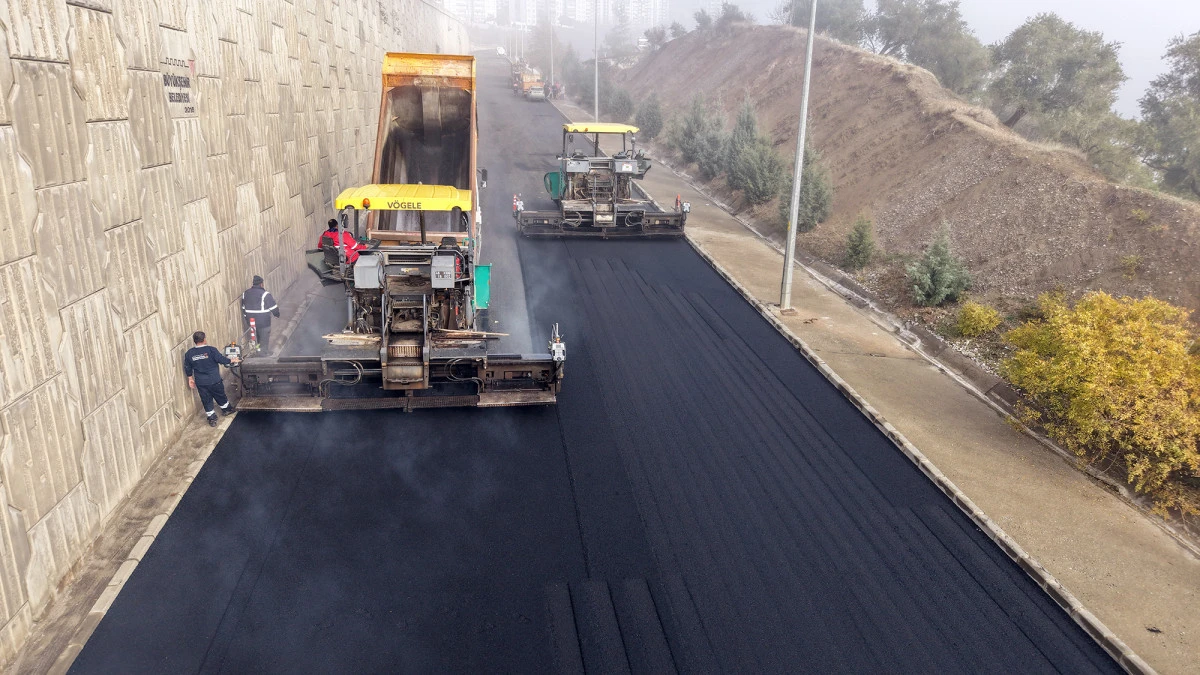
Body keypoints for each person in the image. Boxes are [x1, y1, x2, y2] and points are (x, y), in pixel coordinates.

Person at [183, 331, 239, 427]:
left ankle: (212, 418)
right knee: (220, 395)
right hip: (214, 380)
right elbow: (221, 360)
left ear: (194, 341)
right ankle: (227, 410)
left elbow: (187, 367)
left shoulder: (189, 353)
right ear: (204, 339)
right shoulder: (211, 350)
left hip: (201, 382)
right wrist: (233, 360)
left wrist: (190, 378)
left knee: (206, 399)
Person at [241, 275, 280, 352]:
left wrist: (246, 318)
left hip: (251, 321)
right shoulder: (265, 294)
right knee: (264, 336)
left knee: (256, 335)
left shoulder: (245, 293)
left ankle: (257, 349)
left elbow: (243, 307)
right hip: (263, 321)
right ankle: (263, 352)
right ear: (261, 284)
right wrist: (277, 314)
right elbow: (273, 307)